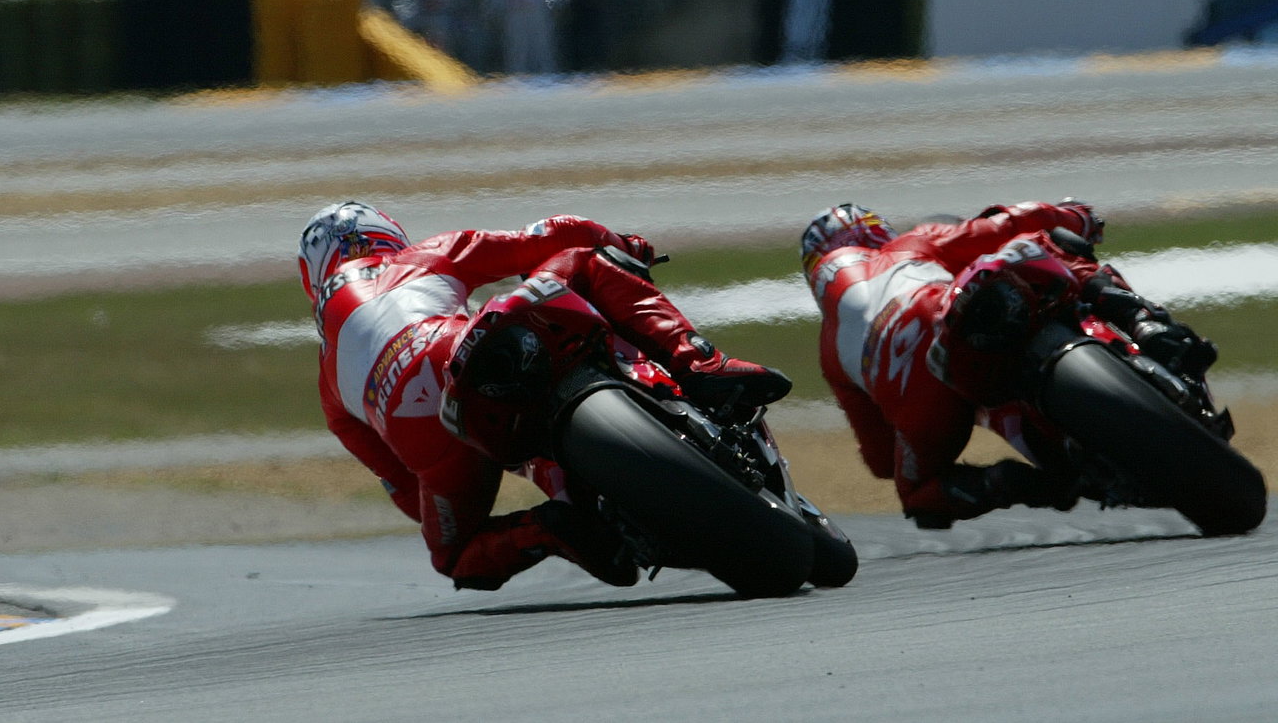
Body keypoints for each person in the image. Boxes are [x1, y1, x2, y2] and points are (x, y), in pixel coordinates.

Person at [301, 201, 791, 591]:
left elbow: (405, 492)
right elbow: (555, 236)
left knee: (453, 556)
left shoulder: (326, 386)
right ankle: (702, 364)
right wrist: (626, 245)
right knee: (585, 262)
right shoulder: (418, 257)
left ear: (314, 278)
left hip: (435, 445)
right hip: (461, 352)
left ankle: (550, 529)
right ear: (389, 236)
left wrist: (451, 484)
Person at [800, 200, 1217, 529]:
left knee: (918, 495)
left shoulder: (828, 350)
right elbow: (1004, 224)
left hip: (927, 405)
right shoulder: (906, 246)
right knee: (1049, 242)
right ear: (875, 233)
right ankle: (1141, 322)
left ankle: (1018, 484)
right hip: (945, 314)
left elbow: (878, 459)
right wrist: (1076, 217)